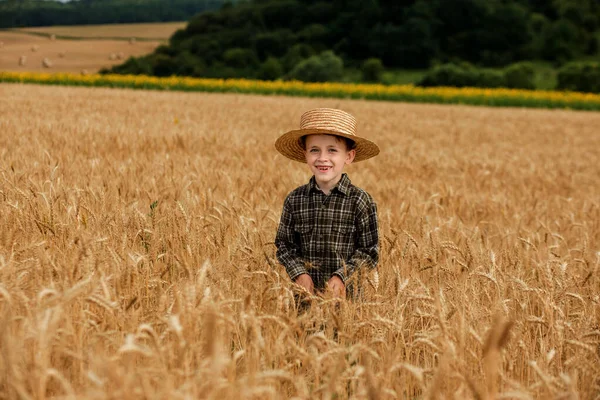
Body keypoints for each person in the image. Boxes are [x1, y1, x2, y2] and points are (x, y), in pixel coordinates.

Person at [274, 108, 379, 300]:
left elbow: (369, 251)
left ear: (349, 156)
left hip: (348, 304)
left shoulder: (361, 201)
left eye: (332, 150)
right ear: (305, 154)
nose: (322, 158)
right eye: (314, 150)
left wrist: (341, 277)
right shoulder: (295, 200)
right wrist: (300, 273)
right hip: (305, 301)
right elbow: (285, 245)